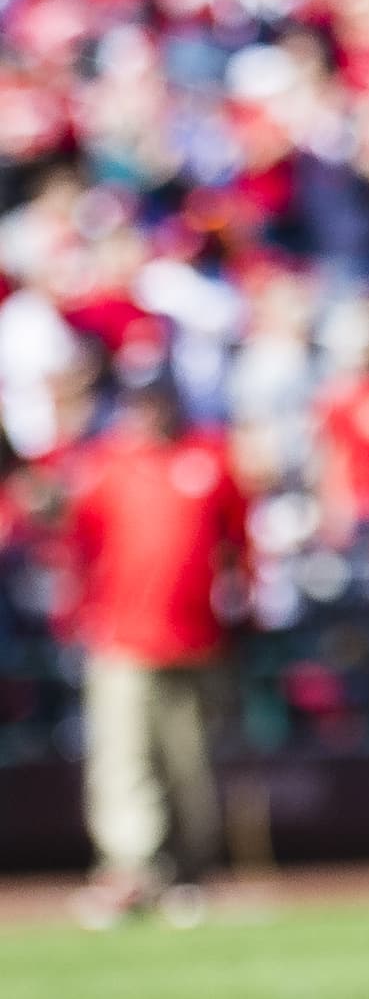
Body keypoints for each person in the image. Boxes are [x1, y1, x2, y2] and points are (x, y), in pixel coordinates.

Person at [62, 375, 246, 929]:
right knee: (124, 758)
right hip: (120, 636)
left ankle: (189, 869)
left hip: (196, 638)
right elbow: (79, 546)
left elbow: (238, 544)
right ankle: (131, 868)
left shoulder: (209, 462)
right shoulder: (106, 467)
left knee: (188, 759)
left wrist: (241, 597)